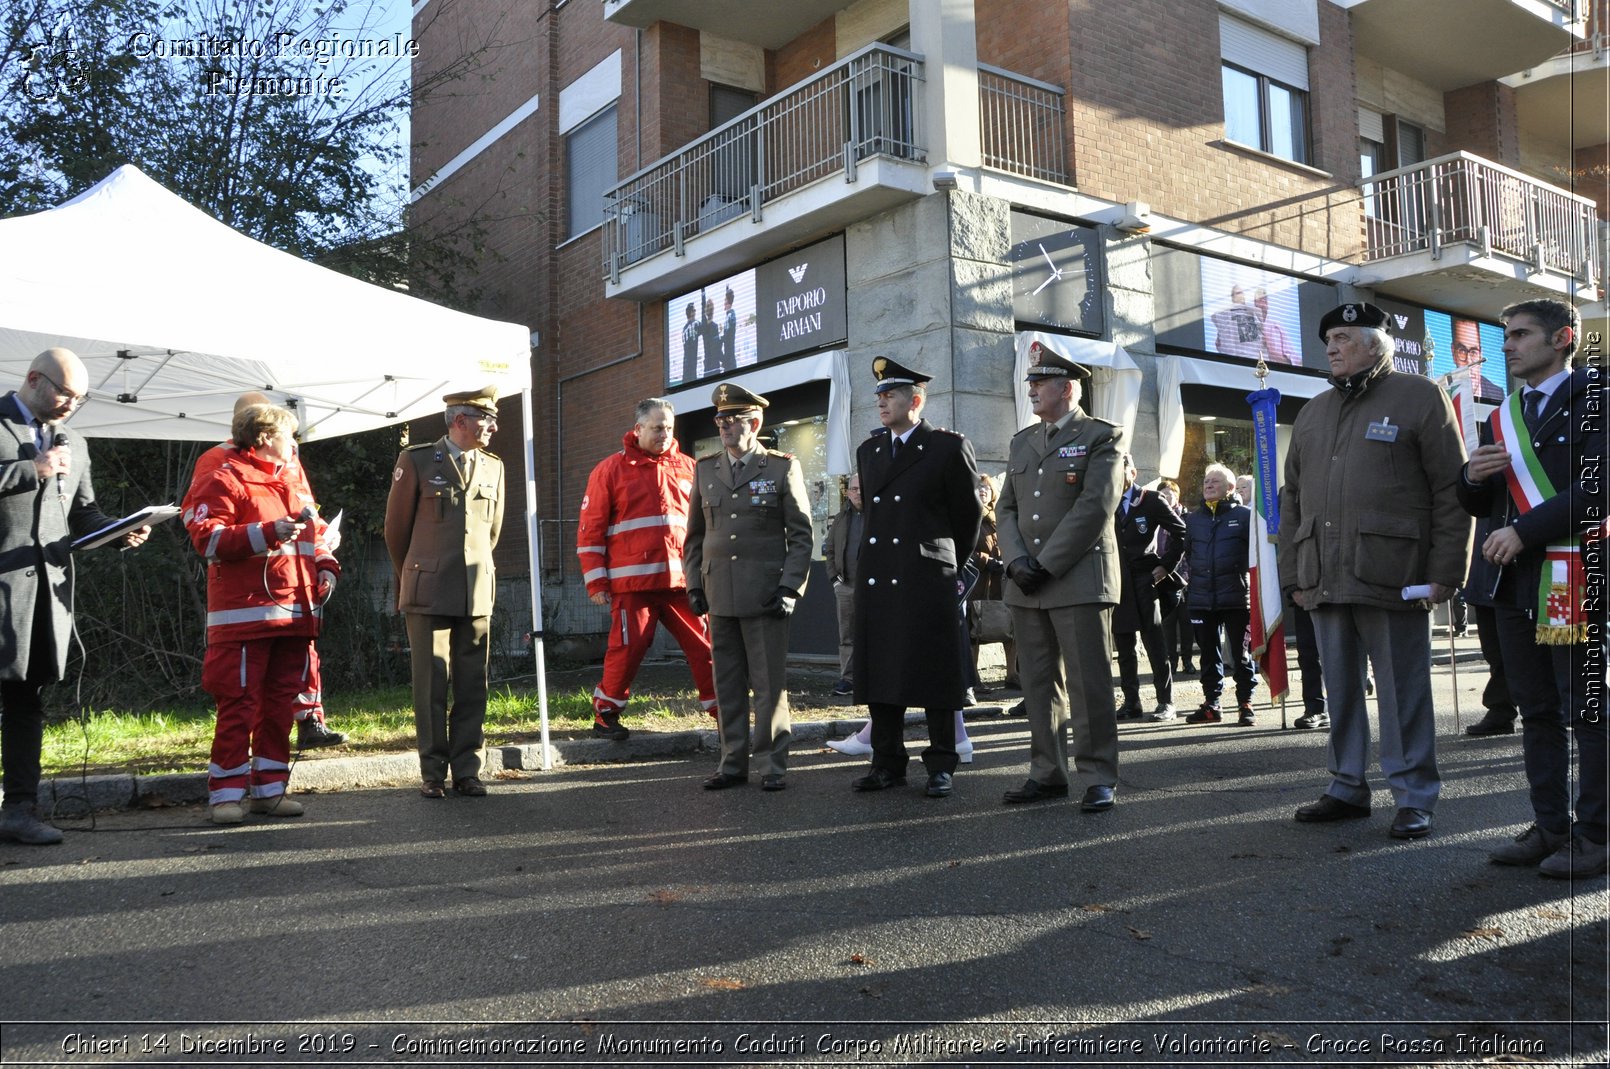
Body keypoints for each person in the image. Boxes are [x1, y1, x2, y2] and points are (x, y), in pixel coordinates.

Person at [1281, 302, 1470, 841]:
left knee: (1401, 690)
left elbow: (1450, 491)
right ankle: (1346, 787)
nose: (1332, 348)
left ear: (1376, 344)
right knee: (1338, 690)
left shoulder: (1418, 396)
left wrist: (1445, 573)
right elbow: (1291, 498)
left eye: (1342, 337)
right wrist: (1293, 574)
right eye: (1328, 340)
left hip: (1395, 572)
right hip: (1324, 573)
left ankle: (1413, 796)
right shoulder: (1314, 411)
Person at [1459, 298, 1605, 878]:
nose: (1509, 344)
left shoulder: (1598, 397)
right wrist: (1469, 476)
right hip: (1513, 585)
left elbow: (1599, 488)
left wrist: (1524, 531)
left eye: (1521, 334)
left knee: (1586, 710)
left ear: (1563, 337)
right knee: (1537, 711)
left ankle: (1595, 834)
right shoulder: (1502, 415)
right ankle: (1550, 825)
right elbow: (1481, 501)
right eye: (1505, 335)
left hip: (1573, 576)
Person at [0, 348, 151, 845]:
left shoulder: (76, 443)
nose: (70, 404)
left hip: (45, 599)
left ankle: (19, 811)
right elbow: (30, 478)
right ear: (33, 378)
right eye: (64, 392)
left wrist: (119, 530)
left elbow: (82, 515)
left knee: (27, 702)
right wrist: (31, 470)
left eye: (79, 398)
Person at [187, 404, 339, 825]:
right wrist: (268, 533)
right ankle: (226, 796)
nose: (295, 444)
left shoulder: (291, 477)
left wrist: (326, 567)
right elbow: (208, 539)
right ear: (266, 437)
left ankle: (269, 792)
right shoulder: (223, 473)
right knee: (238, 706)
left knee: (278, 706)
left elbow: (316, 533)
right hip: (243, 617)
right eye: (290, 436)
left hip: (294, 614)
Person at [997, 342, 1123, 811]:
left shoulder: (1101, 436)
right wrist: (1015, 562)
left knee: (1089, 683)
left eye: (1038, 382)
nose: (1030, 389)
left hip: (1076, 579)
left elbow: (1094, 508)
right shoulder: (1022, 441)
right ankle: (1047, 771)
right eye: (1030, 382)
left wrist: (1043, 565)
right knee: (1038, 682)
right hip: (1026, 581)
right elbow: (1005, 507)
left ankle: (1097, 776)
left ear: (1067, 388)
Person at [850, 357, 982, 800]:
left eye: (891, 394)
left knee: (936, 673)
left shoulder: (946, 447)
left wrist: (948, 566)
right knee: (882, 669)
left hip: (926, 576)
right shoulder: (869, 451)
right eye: (880, 396)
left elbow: (968, 517)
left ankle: (942, 762)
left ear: (916, 399)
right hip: (881, 575)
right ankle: (887, 761)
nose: (882, 401)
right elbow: (873, 516)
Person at [684, 384, 813, 791]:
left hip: (766, 596)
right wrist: (694, 584)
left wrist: (790, 588)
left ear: (753, 423)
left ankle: (773, 764)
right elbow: (695, 537)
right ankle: (732, 763)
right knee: (727, 685)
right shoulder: (705, 469)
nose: (724, 426)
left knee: (770, 686)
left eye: (733, 419)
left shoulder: (780, 467)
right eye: (720, 420)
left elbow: (802, 536)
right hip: (719, 593)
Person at [384, 387, 506, 799]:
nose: (493, 426)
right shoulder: (416, 459)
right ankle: (432, 772)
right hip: (427, 589)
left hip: (475, 589)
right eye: (485, 419)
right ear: (460, 421)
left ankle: (468, 769)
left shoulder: (493, 467)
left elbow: (492, 532)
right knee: (431, 682)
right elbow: (395, 530)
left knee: (474, 682)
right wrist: (411, 576)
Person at [577, 398, 718, 740]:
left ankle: (724, 711)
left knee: (707, 647)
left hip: (683, 581)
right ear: (638, 429)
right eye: (657, 428)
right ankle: (605, 715)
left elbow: (705, 526)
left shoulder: (689, 467)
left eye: (669, 428)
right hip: (632, 584)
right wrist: (596, 581)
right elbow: (590, 528)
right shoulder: (609, 470)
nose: (664, 434)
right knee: (627, 650)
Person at [1181, 465, 1257, 725]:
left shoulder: (1245, 517)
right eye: (1205, 481)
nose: (1208, 485)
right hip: (1202, 599)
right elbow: (1190, 554)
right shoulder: (1194, 519)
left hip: (1236, 597)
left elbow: (1254, 557)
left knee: (1241, 654)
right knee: (1208, 655)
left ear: (1230, 488)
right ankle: (1211, 704)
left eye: (1215, 481)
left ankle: (1245, 703)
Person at [1112, 454, 1186, 721]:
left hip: (1145, 580)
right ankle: (1131, 701)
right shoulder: (1105, 502)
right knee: (1124, 646)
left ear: (1132, 472)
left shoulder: (1151, 500)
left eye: (1119, 471)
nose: (1115, 478)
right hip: (1117, 582)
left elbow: (1181, 532)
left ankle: (1166, 702)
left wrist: (1166, 566)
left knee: (1155, 642)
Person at [1460, 512, 1519, 737]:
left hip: (1518, 566)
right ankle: (1501, 709)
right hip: (1483, 569)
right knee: (1494, 651)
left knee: (1524, 652)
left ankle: (1503, 709)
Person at [969, 472, 1017, 693]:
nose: (982, 491)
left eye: (986, 488)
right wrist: (986, 561)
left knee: (1009, 627)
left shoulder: (1000, 517)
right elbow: (964, 550)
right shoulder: (968, 517)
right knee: (974, 632)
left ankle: (1012, 675)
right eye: (979, 488)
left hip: (1002, 580)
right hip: (977, 582)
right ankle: (974, 677)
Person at [825, 473, 864, 698]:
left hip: (873, 588)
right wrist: (834, 580)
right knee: (847, 636)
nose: (858, 492)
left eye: (862, 488)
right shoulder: (840, 518)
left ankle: (875, 678)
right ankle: (848, 679)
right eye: (854, 489)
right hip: (846, 586)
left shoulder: (878, 515)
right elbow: (829, 550)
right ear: (847, 492)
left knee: (875, 633)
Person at [1155, 478, 1196, 676]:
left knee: (1186, 623)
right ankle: (1171, 661)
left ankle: (1188, 660)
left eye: (1169, 494)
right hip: (1165, 580)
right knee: (1168, 625)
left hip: (1186, 577)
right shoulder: (1155, 520)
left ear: (1177, 496)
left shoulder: (1188, 518)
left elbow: (1190, 550)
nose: (1166, 498)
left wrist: (1188, 575)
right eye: (1162, 494)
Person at [1452, 317, 1503, 404]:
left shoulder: (1497, 394)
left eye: (1473, 352)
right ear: (1453, 353)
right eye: (1462, 351)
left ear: (1481, 355)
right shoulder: (1443, 392)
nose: (1468, 361)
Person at [679, 303, 699, 383]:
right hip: (691, 360)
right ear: (691, 312)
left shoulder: (684, 328)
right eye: (694, 310)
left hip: (686, 360)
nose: (695, 312)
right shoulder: (695, 324)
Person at [720, 287, 738, 370]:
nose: (723, 303)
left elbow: (728, 334)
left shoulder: (731, 315)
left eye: (724, 300)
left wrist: (721, 338)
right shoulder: (729, 315)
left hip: (729, 355)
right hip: (728, 354)